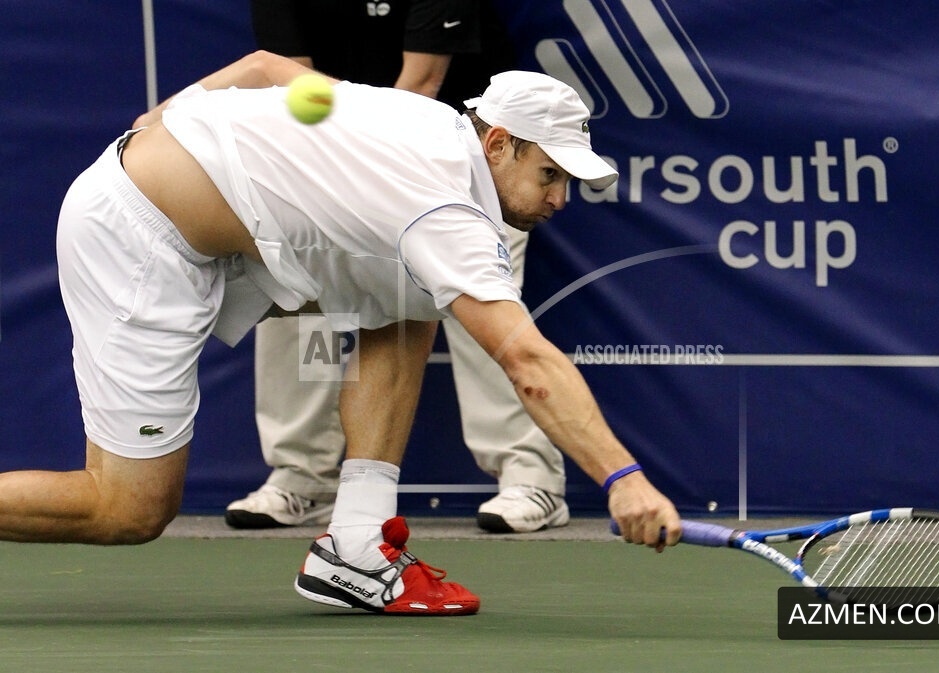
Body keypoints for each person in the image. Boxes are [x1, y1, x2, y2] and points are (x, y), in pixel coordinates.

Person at [8, 51, 681, 615]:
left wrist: (162, 117)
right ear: (498, 144)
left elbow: (265, 67)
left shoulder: (422, 118)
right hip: (137, 239)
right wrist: (623, 479)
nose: (560, 199)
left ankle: (355, 545)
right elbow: (528, 363)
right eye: (550, 174)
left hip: (216, 235)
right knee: (128, 509)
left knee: (413, 296)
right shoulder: (445, 212)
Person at [228, 0, 571, 534]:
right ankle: (303, 476)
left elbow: (422, 82)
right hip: (338, 159)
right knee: (303, 301)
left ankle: (530, 477)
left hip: (476, 170)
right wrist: (336, 185)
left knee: (483, 315)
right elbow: (289, 83)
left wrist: (363, 176)